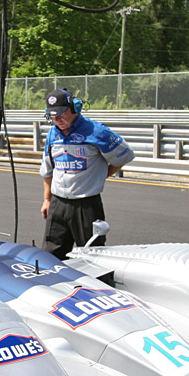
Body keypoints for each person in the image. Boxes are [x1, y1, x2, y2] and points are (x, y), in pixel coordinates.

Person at [40, 88, 134, 259]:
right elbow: (47, 169)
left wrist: (101, 175)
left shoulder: (96, 131)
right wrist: (47, 200)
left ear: (74, 108)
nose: (57, 119)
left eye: (61, 113)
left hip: (86, 205)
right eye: (52, 116)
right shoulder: (52, 134)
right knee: (51, 256)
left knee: (92, 256)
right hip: (57, 204)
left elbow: (125, 155)